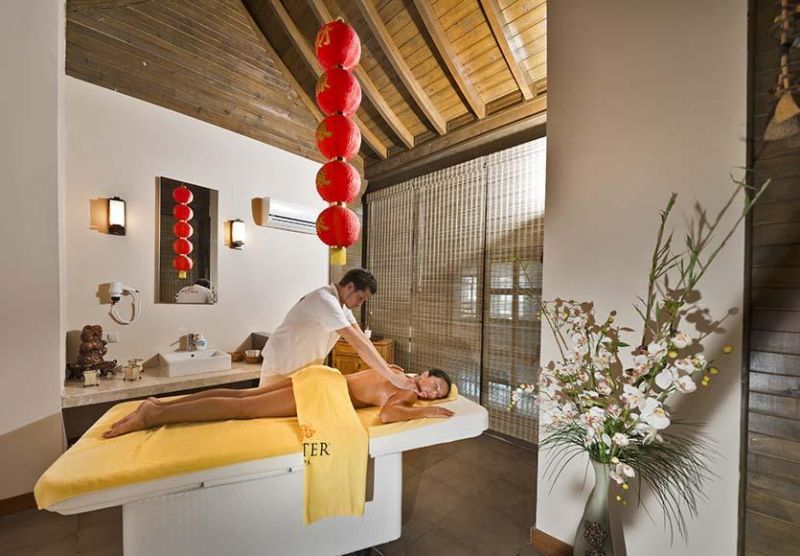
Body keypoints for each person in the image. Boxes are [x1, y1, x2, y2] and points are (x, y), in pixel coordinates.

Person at [102, 368, 454, 438]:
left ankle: (159, 405)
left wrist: (427, 404)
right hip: (321, 392)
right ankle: (152, 415)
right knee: (241, 408)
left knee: (242, 396)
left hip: (321, 377)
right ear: (424, 374)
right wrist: (430, 411)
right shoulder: (407, 388)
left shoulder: (395, 369)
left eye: (437, 395)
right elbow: (389, 415)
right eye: (434, 385)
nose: (430, 394)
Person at [260, 268, 417, 393]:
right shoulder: (325, 300)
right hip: (281, 365)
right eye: (360, 298)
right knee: (263, 413)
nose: (360, 303)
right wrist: (391, 377)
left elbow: (362, 338)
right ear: (350, 287)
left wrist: (386, 368)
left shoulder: (342, 305)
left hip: (302, 369)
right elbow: (357, 344)